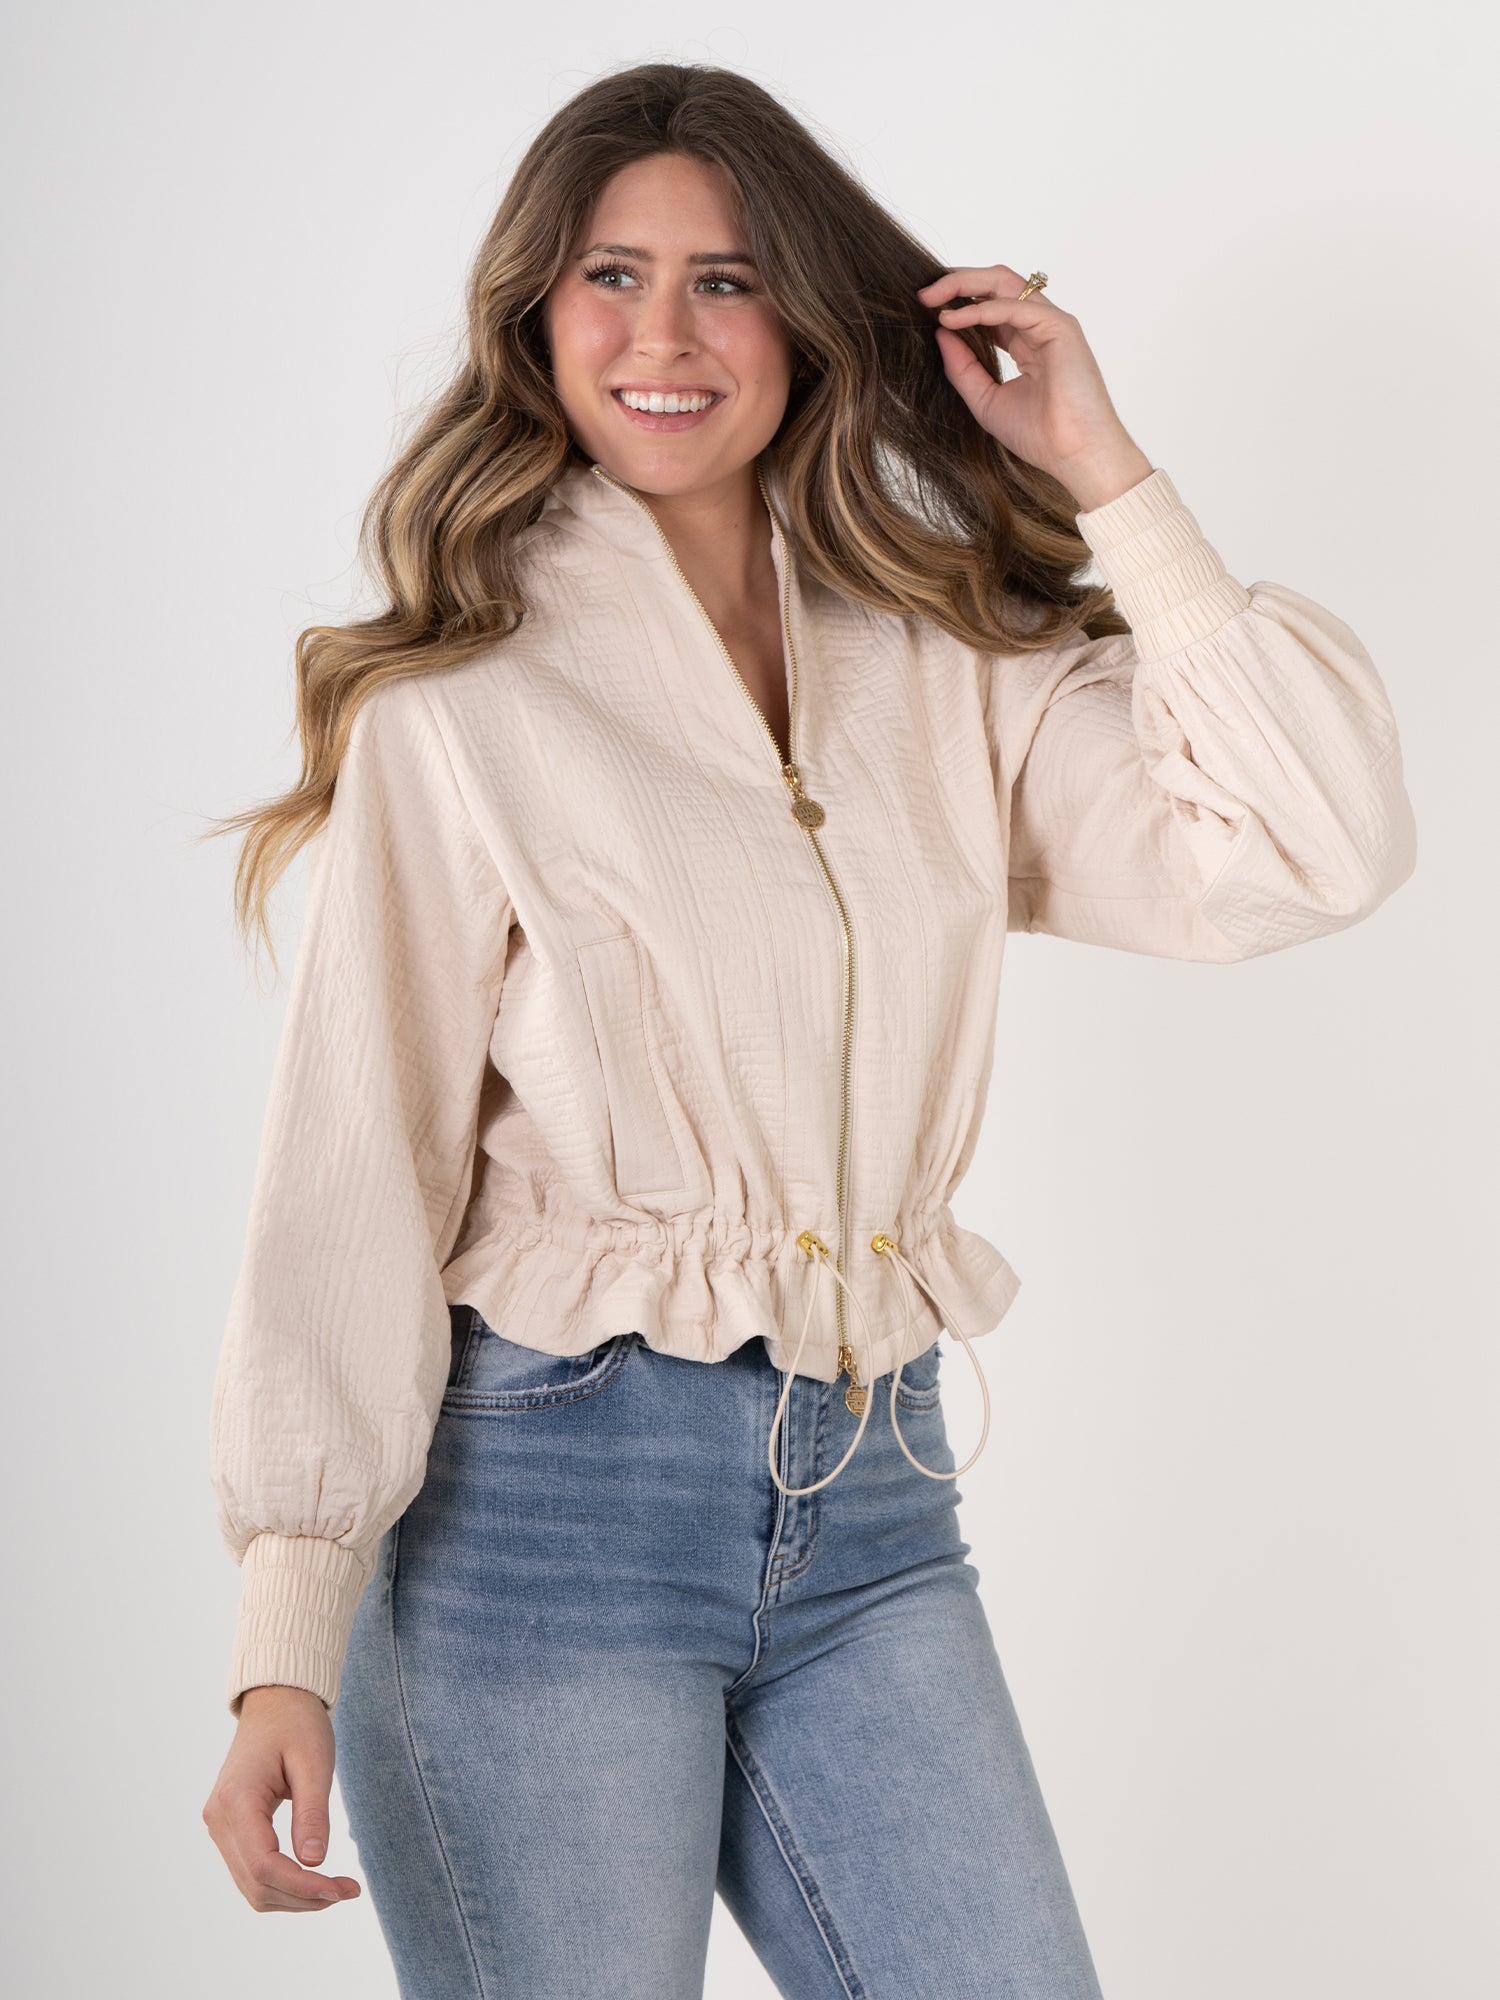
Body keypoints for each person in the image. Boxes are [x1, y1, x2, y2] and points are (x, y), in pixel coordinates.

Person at [199, 60, 1417, 2000]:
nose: (663, 336)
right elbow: (354, 1174)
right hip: (543, 1519)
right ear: (537, 316)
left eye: (728, 279)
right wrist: (285, 1629)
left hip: (874, 1504)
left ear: (807, 319)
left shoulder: (941, 653)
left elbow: (1310, 847)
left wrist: (1106, 471)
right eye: (611, 276)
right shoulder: (462, 702)